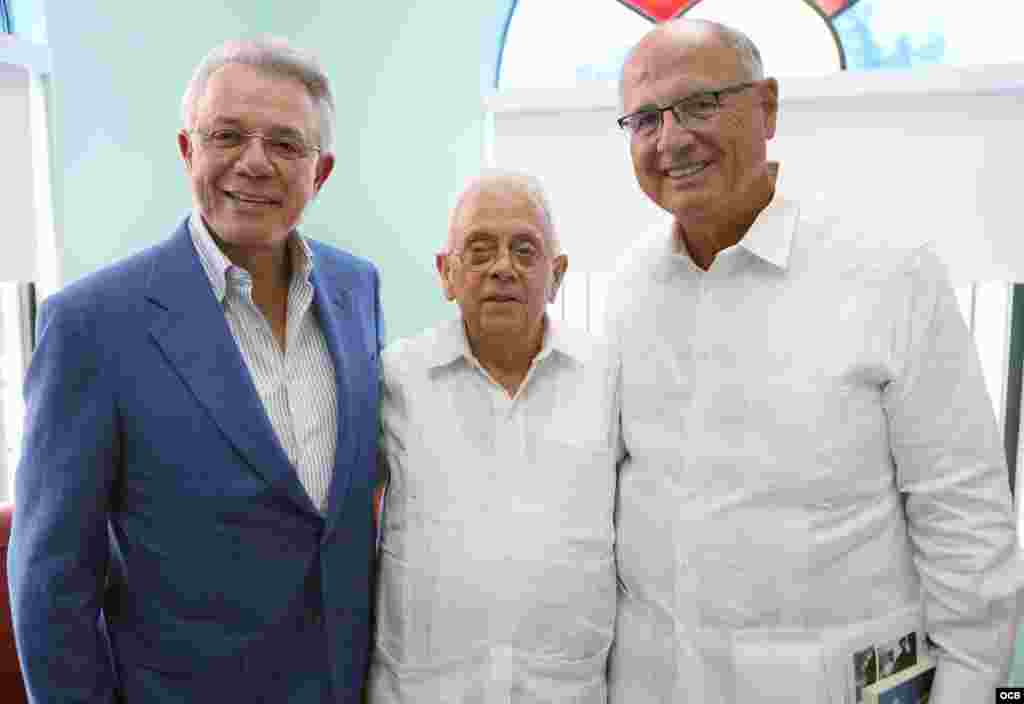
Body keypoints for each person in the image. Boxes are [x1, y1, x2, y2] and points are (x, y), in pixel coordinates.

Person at [605, 18, 1022, 704]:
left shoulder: (889, 274)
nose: (672, 138)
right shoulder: (628, 288)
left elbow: (965, 521)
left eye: (699, 104)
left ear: (766, 107)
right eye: (645, 118)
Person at [8, 37, 382, 703]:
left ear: (319, 172)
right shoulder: (92, 326)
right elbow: (50, 582)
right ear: (188, 151)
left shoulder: (358, 291)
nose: (255, 163)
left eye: (286, 144)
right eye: (228, 136)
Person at [368, 171, 620, 702]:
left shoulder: (608, 380)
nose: (503, 267)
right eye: (480, 250)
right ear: (446, 272)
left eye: (524, 250)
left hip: (565, 690)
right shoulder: (395, 378)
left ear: (557, 274)